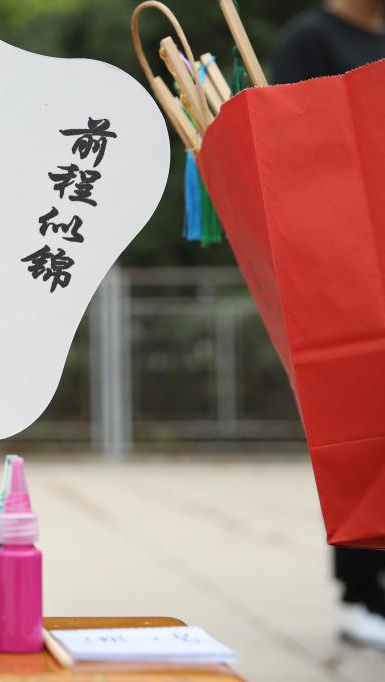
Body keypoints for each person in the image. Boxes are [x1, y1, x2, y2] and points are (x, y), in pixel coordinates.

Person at [272, 0, 385, 652]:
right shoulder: (310, 40)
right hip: (344, 266)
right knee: (359, 436)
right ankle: (362, 594)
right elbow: (291, 154)